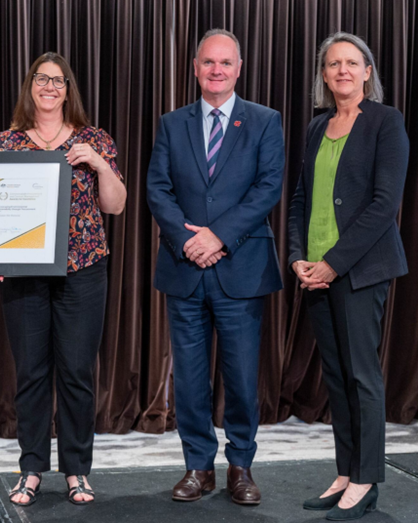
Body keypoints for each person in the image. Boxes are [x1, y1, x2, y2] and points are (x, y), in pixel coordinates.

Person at [0, 52, 126, 506]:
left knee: (78, 373)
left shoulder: (93, 139)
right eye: (42, 79)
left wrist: (99, 164)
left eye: (58, 81)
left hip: (83, 271)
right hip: (24, 275)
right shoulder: (6, 142)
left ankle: (78, 471)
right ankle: (32, 469)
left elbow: (116, 205)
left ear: (68, 89)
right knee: (32, 374)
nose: (49, 87)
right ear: (31, 87)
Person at [146, 29, 284, 506]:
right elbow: (157, 189)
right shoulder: (171, 123)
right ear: (195, 67)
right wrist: (188, 241)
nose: (217, 70)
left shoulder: (265, 121)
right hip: (185, 269)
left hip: (240, 268)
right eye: (209, 62)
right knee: (188, 378)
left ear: (239, 68)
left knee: (243, 377)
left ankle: (240, 466)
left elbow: (268, 188)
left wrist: (217, 236)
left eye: (226, 62)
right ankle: (198, 467)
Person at [288, 32, 409, 521]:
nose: (342, 71)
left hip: (358, 270)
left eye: (351, 63)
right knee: (336, 379)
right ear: (323, 74)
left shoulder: (385, 122)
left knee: (363, 377)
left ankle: (367, 479)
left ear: (367, 72)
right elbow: (300, 200)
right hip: (315, 272)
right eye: (333, 63)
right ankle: (345, 472)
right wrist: (299, 257)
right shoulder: (318, 126)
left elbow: (384, 205)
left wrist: (333, 262)